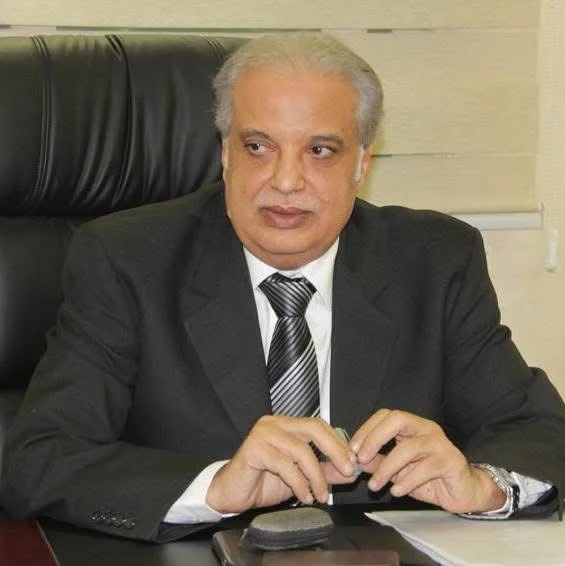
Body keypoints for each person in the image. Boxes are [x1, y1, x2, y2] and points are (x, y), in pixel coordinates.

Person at [2, 32, 565, 543]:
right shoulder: (128, 261)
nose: (287, 181)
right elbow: (40, 460)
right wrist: (215, 487)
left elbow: (540, 432)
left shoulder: (434, 261)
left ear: (362, 163)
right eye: (258, 147)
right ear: (225, 154)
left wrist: (483, 485)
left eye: (320, 150)